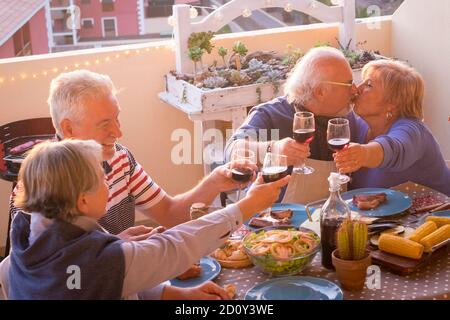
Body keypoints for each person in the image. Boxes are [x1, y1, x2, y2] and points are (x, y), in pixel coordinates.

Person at [6, 139, 290, 299]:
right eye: (101, 176)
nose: (108, 180)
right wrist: (246, 207)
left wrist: (176, 296)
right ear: (82, 200)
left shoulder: (29, 239)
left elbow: (105, 282)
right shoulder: (94, 259)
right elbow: (174, 246)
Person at [10, 69, 256, 239]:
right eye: (104, 123)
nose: (118, 132)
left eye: (117, 118)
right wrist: (119, 248)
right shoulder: (40, 183)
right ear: (68, 129)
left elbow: (170, 214)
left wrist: (214, 182)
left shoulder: (119, 158)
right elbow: (44, 273)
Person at [225, 47, 359, 203]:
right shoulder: (271, 115)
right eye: (349, 84)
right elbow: (232, 151)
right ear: (320, 91)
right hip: (278, 223)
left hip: (332, 218)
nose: (355, 90)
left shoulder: (346, 117)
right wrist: (274, 149)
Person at [334, 60, 450, 195]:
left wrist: (364, 153)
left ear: (392, 103)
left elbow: (395, 149)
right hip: (381, 215)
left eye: (369, 85)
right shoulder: (357, 124)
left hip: (437, 213)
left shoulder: (412, 131)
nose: (357, 88)